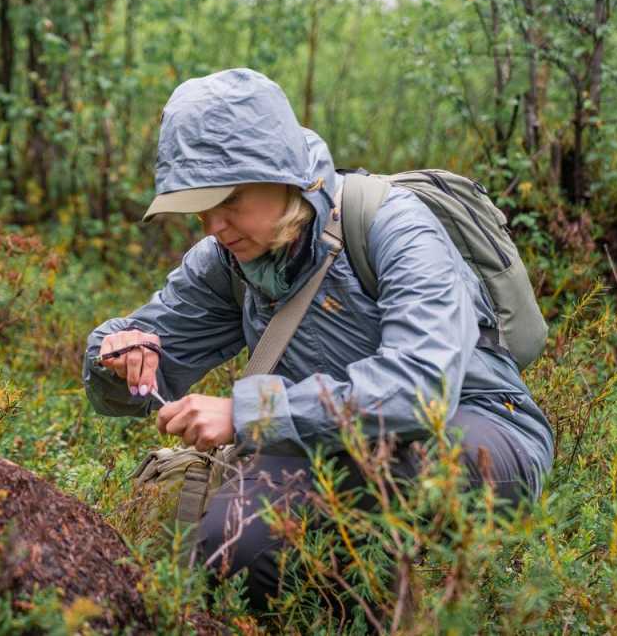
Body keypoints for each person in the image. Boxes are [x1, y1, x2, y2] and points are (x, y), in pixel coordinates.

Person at [81, 68, 554, 612]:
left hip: (477, 432)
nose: (213, 223)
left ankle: (433, 607)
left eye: (229, 200)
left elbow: (420, 390)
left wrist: (247, 413)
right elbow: (137, 363)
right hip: (326, 445)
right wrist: (115, 354)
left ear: (285, 177)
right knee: (232, 546)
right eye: (199, 206)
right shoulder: (225, 260)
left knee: (383, 469)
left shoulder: (395, 227)